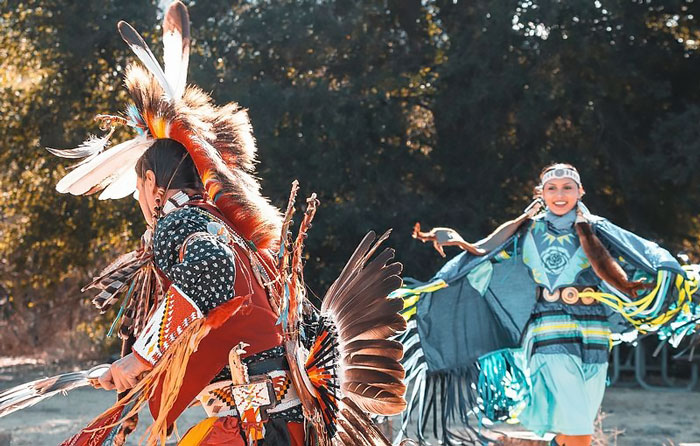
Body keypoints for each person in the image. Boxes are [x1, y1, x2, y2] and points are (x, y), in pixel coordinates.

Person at [49, 3, 408, 445]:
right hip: (283, 425)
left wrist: (139, 359)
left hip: (246, 429)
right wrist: (130, 369)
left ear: (148, 182)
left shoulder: (181, 223)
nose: (141, 203)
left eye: (138, 190)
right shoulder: (233, 233)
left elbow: (208, 266)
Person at [399, 163, 696, 446]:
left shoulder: (598, 230)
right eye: (551, 188)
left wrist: (668, 272)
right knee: (578, 425)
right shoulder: (524, 232)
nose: (560, 194)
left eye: (567, 187)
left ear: (581, 192)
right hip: (548, 330)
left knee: (578, 422)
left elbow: (641, 255)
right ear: (540, 194)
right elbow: (484, 261)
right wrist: (456, 260)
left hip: (594, 332)